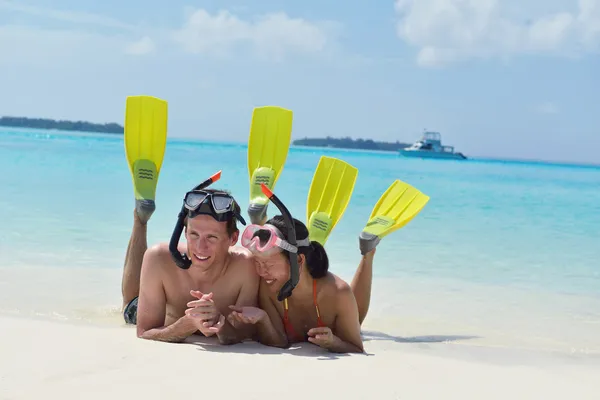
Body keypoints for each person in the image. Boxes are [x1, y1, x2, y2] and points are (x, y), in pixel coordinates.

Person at [228, 186, 374, 354]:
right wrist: (263, 319)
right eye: (258, 263)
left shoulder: (338, 292)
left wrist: (334, 342)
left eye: (268, 264)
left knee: (357, 317)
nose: (261, 272)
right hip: (300, 266)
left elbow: (356, 348)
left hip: (332, 291)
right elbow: (279, 342)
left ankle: (368, 252)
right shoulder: (268, 287)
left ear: (298, 260)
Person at [121, 171, 259, 344]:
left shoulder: (245, 265)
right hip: (163, 317)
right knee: (130, 305)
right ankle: (140, 219)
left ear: (233, 238)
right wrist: (186, 325)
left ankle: (258, 226)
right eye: (194, 234)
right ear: (184, 232)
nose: (201, 247)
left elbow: (245, 334)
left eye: (212, 237)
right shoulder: (160, 258)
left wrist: (220, 324)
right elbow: (144, 331)